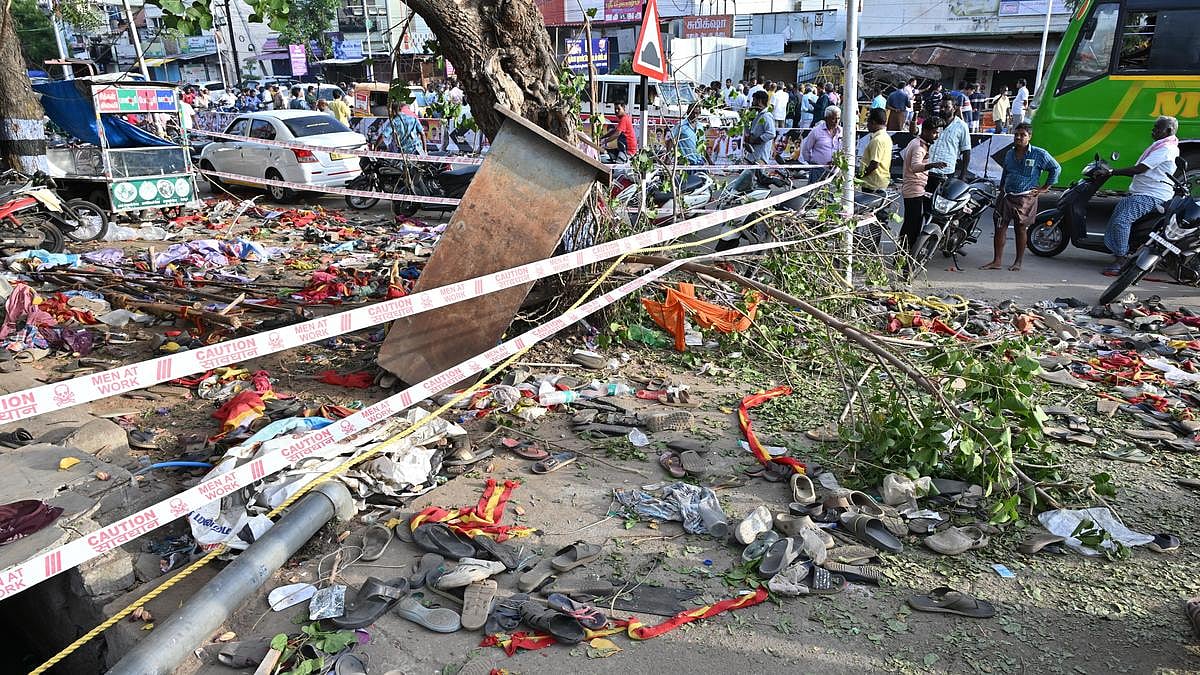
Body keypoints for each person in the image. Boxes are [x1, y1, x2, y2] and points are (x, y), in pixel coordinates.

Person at [1099, 115, 1181, 274]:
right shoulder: (1161, 146)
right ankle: (1121, 247)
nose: (1153, 131)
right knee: (1119, 210)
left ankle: (1121, 259)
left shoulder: (1166, 149)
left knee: (1122, 220)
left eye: (1157, 128)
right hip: (1143, 192)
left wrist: (1111, 172)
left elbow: (1140, 169)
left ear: (1169, 130)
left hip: (1152, 195)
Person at [981, 122, 1059, 271]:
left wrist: (1044, 188)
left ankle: (1018, 262)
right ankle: (997, 261)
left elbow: (1055, 168)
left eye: (1022, 135)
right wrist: (1001, 190)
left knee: (1020, 229)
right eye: (1016, 134)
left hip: (1025, 198)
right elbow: (1006, 172)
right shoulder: (1009, 153)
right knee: (1000, 227)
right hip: (1007, 195)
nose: (1018, 137)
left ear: (1030, 137)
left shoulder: (1039, 154)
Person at [899, 116, 947, 256]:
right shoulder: (919, 147)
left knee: (910, 224)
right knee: (912, 226)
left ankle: (902, 255)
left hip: (914, 188)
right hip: (914, 189)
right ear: (925, 131)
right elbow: (915, 167)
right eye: (934, 132)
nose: (936, 136)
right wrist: (932, 165)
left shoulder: (917, 142)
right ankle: (904, 256)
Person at [927, 97, 973, 194]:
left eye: (946, 107)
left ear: (954, 108)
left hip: (946, 173)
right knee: (926, 200)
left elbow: (966, 152)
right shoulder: (934, 123)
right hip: (928, 170)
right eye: (941, 107)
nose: (942, 109)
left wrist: (963, 175)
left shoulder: (961, 126)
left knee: (942, 201)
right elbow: (917, 133)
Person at [800, 106, 842, 184]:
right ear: (826, 118)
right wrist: (813, 163)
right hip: (818, 171)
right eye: (833, 118)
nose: (836, 121)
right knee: (815, 191)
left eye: (838, 118)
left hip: (836, 171)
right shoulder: (816, 131)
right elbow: (806, 149)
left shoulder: (842, 132)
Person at [860, 107, 893, 193]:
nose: (867, 125)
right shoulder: (886, 137)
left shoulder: (878, 140)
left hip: (872, 184)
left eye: (868, 121)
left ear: (873, 122)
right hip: (879, 182)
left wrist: (860, 175)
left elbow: (874, 164)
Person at [667, 103, 706, 169]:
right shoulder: (681, 125)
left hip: (699, 162)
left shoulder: (700, 126)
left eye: (697, 113)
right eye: (693, 113)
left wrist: (709, 161)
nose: (695, 115)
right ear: (688, 112)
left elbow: (702, 144)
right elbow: (670, 139)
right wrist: (668, 157)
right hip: (686, 163)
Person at [743, 90, 776, 165]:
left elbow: (771, 133)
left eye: (754, 100)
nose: (752, 103)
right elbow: (750, 131)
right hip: (752, 155)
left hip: (760, 156)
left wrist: (756, 140)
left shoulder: (766, 116)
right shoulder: (758, 115)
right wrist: (746, 119)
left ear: (759, 101)